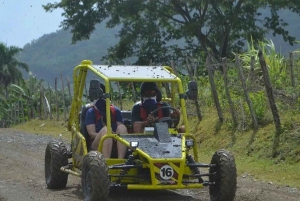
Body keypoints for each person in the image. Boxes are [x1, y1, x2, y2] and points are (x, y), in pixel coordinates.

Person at [85, 81, 128, 159]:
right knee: (106, 130)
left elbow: (121, 128)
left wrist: (114, 135)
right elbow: (91, 134)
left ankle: (120, 160)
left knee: (122, 127)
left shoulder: (115, 110)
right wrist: (108, 134)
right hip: (97, 144)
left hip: (115, 141)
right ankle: (106, 161)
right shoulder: (91, 111)